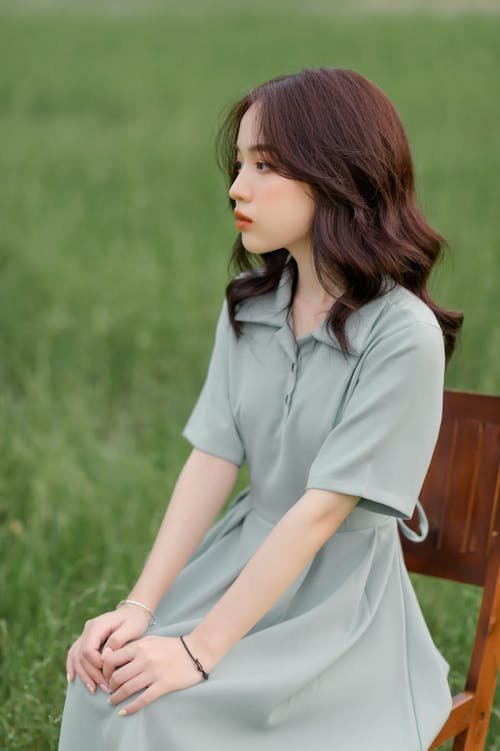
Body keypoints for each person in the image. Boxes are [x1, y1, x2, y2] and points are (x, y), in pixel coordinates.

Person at [58, 67, 464, 751]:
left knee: (158, 707)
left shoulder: (403, 336)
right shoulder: (251, 303)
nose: (236, 188)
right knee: (101, 677)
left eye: (266, 165)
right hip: (238, 562)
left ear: (338, 172)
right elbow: (214, 457)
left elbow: (320, 513)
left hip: (338, 612)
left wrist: (196, 652)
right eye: (239, 163)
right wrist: (139, 607)